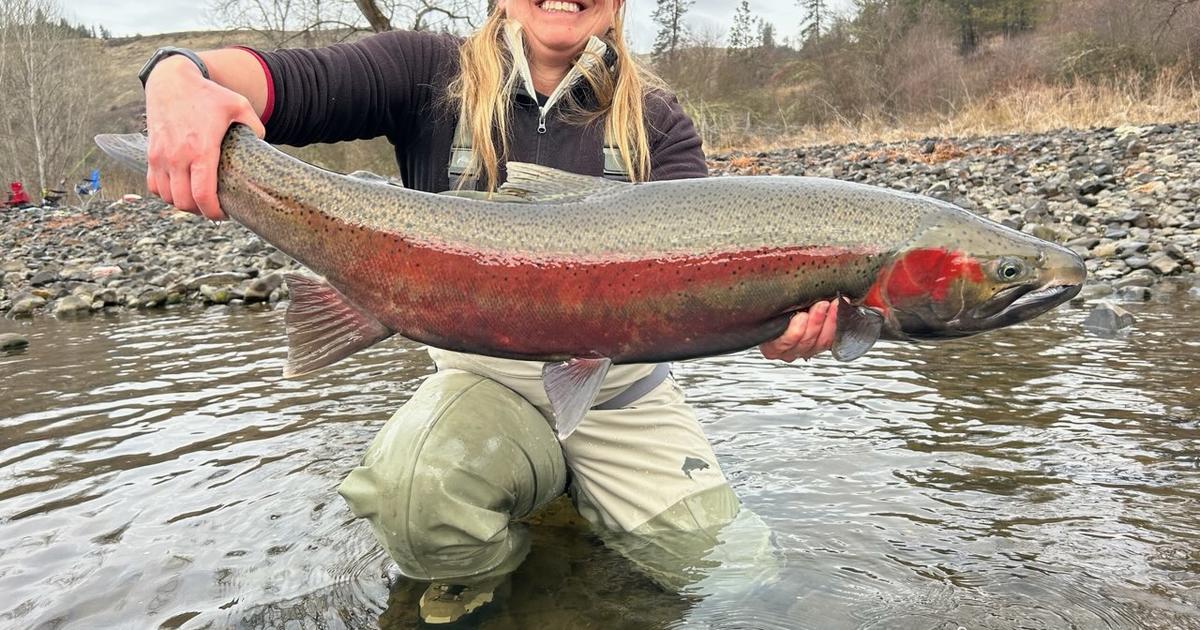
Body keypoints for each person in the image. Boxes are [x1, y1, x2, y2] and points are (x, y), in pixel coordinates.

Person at [142, 0, 839, 623]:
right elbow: (261, 80)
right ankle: (487, 594)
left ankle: (568, 508)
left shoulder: (658, 119)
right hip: (483, 383)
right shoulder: (423, 71)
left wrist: (772, 327)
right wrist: (175, 79)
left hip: (621, 398)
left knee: (742, 582)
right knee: (417, 496)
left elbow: (701, 285)